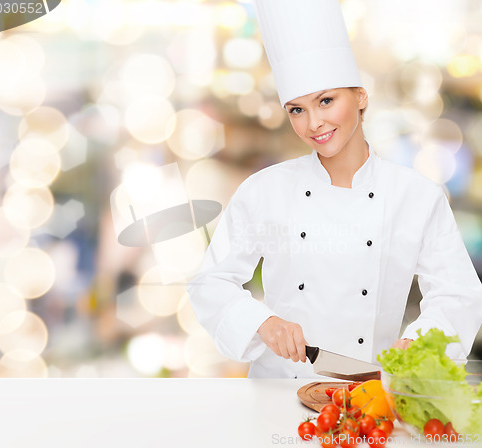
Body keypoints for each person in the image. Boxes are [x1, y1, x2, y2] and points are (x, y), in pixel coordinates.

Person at [187, 0, 482, 378]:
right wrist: (263, 323)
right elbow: (210, 282)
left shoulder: (417, 196)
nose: (314, 123)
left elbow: (457, 293)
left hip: (369, 394)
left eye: (326, 101)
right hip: (278, 392)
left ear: (360, 96)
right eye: (297, 109)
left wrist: (419, 341)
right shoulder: (265, 190)